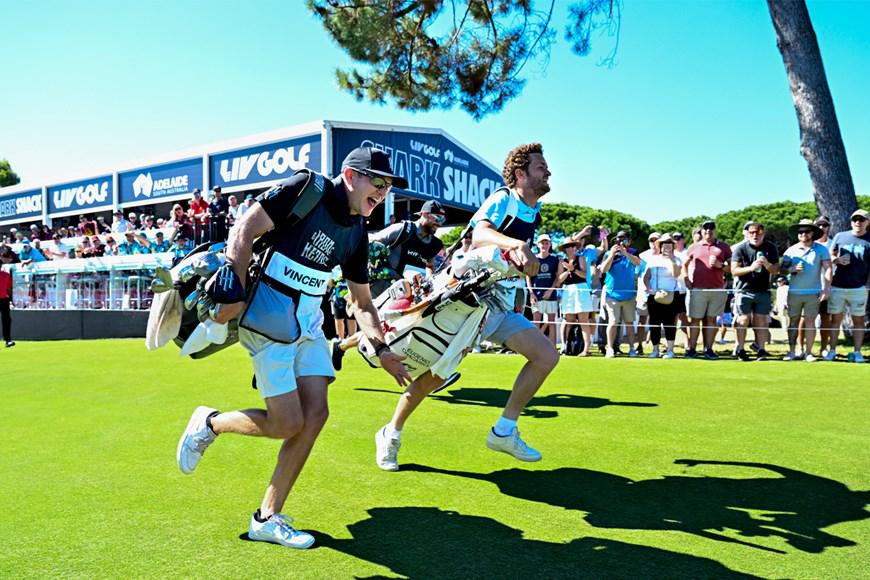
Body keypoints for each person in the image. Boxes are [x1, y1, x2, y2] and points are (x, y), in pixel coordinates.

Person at [175, 147, 411, 550]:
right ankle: (210, 423)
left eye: (388, 187)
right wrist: (233, 287)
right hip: (267, 318)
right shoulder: (307, 187)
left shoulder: (357, 231)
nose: (383, 192)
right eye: (377, 182)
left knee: (316, 414)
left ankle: (267, 518)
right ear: (351, 176)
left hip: (310, 324)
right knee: (287, 423)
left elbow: (362, 301)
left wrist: (381, 347)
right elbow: (245, 227)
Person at [372, 142, 558, 472]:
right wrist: (517, 245)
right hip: (468, 305)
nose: (548, 172)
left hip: (499, 306)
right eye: (541, 167)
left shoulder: (534, 213)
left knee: (546, 356)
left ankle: (504, 431)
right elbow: (481, 234)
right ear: (520, 174)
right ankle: (391, 433)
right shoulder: (504, 198)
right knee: (432, 378)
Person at [781, 219, 832, 362]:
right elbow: (782, 269)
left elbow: (828, 268)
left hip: (813, 292)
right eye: (800, 232)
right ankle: (793, 351)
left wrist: (826, 288)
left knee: (810, 322)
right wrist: (792, 269)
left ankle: (809, 353)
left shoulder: (821, 249)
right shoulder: (790, 250)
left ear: (813, 233)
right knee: (793, 322)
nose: (803, 234)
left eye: (806, 231)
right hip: (794, 293)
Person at [825, 209, 870, 362]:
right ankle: (832, 351)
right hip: (838, 286)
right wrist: (836, 260)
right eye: (855, 219)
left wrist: (867, 286)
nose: (858, 222)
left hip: (859, 288)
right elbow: (830, 255)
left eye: (861, 220)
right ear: (851, 222)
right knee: (835, 320)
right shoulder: (840, 236)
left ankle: (857, 353)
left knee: (859, 321)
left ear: (867, 222)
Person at [730, 221, 779, 361]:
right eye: (751, 232)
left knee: (761, 320)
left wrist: (767, 265)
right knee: (743, 319)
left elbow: (776, 269)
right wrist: (751, 268)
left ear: (763, 233)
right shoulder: (740, 248)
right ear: (747, 234)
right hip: (744, 290)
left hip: (763, 290)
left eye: (758, 232)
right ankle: (740, 349)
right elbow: (734, 270)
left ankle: (761, 350)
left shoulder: (771, 247)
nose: (755, 235)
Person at [683, 220, 732, 359]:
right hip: (698, 289)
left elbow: (731, 268)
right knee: (695, 320)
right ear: (702, 231)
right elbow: (684, 265)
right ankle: (692, 349)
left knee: (711, 320)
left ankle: (708, 349)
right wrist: (686, 279)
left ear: (715, 230)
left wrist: (720, 265)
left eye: (711, 228)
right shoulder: (694, 247)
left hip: (717, 289)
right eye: (705, 228)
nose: (708, 231)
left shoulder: (724, 247)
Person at [600, 230, 642, 358]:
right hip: (612, 295)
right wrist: (612, 255)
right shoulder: (609, 253)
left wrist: (626, 254)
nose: (621, 241)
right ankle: (610, 348)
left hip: (629, 295)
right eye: (619, 238)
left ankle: (632, 348)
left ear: (629, 241)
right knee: (613, 321)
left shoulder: (633, 252)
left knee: (629, 322)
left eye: (624, 239)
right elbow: (603, 270)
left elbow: (638, 263)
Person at [643, 234, 682, 358]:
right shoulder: (653, 260)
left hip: (670, 295)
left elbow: (676, 275)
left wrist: (671, 260)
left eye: (669, 245)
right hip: (654, 295)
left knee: (669, 323)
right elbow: (646, 276)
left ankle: (670, 350)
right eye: (664, 245)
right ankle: (655, 350)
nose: (666, 247)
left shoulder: (677, 260)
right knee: (654, 323)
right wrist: (648, 286)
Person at [527, 233, 561, 346]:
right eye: (542, 243)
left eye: (547, 243)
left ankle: (553, 347)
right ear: (538, 244)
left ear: (550, 244)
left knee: (552, 321)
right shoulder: (533, 258)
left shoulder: (554, 259)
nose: (544, 245)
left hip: (551, 295)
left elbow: (557, 277)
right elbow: (528, 276)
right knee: (536, 320)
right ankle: (535, 346)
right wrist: (531, 293)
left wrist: (551, 290)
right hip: (536, 294)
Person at [0, 263, 13, 347]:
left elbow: (8, 288)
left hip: (4, 299)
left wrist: (10, 299)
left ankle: (8, 340)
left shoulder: (6, 275)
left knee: (7, 320)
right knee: (6, 320)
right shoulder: (6, 275)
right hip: (4, 299)